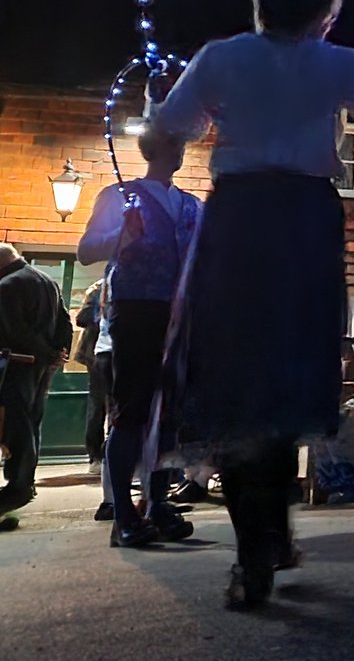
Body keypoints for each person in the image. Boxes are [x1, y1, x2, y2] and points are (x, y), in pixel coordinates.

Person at [147, 0, 354, 609]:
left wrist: (157, 101)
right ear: (324, 16)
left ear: (260, 5)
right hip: (303, 224)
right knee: (288, 379)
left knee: (238, 383)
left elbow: (163, 136)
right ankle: (275, 536)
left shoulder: (220, 57)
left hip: (236, 221)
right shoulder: (341, 63)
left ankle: (253, 557)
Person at [78, 129, 202, 548]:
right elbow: (85, 250)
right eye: (173, 142)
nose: (180, 149)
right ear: (153, 149)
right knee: (132, 410)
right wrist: (121, 237)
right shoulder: (120, 195)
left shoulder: (190, 205)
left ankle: (157, 502)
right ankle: (123, 513)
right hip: (135, 310)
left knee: (170, 412)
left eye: (181, 142)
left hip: (180, 313)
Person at [0, 243, 73, 515]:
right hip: (42, 366)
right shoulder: (48, 280)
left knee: (16, 425)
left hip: (17, 365)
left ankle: (18, 485)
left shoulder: (7, 285)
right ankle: (26, 481)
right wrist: (58, 353)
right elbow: (65, 322)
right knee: (32, 421)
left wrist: (46, 352)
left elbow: (14, 331)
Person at [74, 279, 108, 475]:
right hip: (96, 354)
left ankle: (107, 456)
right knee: (98, 405)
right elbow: (82, 318)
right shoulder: (99, 288)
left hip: (113, 352)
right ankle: (95, 456)